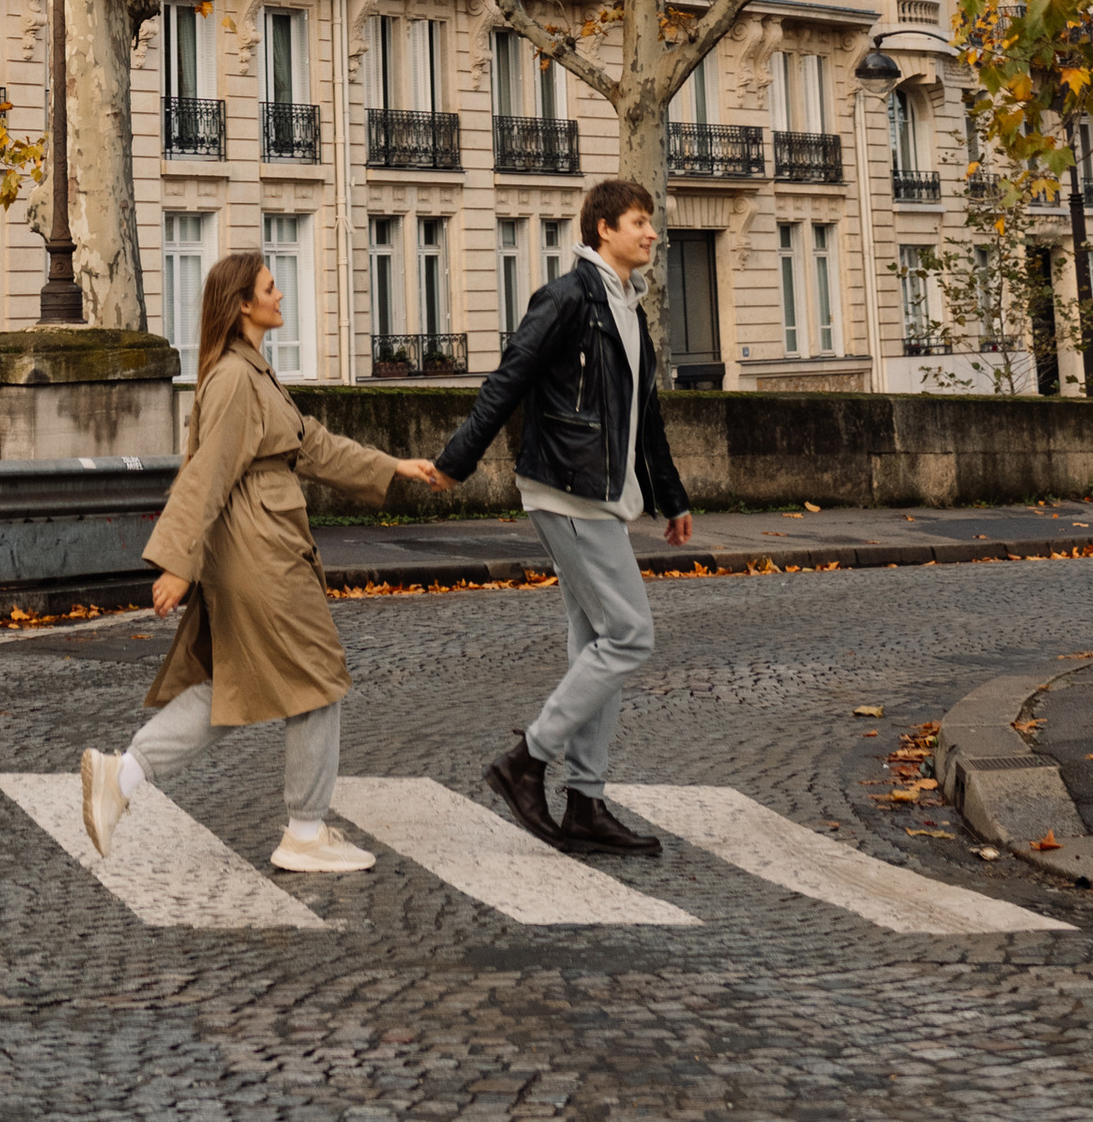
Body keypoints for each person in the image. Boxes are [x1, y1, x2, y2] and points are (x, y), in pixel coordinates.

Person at [80, 245, 444, 876]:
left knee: (235, 684)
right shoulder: (234, 379)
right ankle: (303, 832)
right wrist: (177, 564)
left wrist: (391, 467)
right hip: (260, 552)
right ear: (243, 304)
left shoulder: (253, 373)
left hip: (261, 544)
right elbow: (207, 473)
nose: (280, 295)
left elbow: (312, 446)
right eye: (270, 287)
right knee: (317, 676)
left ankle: (124, 775)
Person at [433, 175, 693, 856]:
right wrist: (457, 461)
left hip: (602, 493)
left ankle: (585, 802)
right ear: (604, 228)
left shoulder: (629, 307)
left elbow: (645, 416)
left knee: (596, 646)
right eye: (639, 221)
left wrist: (671, 496)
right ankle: (527, 760)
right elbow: (508, 379)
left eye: (651, 222)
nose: (652, 233)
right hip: (568, 490)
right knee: (629, 635)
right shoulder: (568, 296)